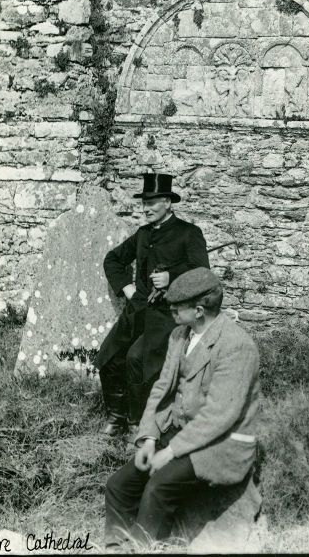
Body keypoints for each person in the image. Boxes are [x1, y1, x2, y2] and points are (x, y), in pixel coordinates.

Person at [103, 267, 261, 548]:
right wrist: (149, 439)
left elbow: (218, 417)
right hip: (179, 432)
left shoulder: (237, 346)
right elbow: (161, 390)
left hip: (222, 443)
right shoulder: (179, 336)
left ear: (199, 310)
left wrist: (170, 453)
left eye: (177, 307)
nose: (170, 310)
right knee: (119, 486)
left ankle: (145, 548)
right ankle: (116, 546)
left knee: (157, 488)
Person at [98, 173, 209, 436]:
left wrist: (172, 277)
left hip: (168, 318)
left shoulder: (189, 234)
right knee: (109, 356)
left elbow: (202, 273)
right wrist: (129, 291)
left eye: (152, 203)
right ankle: (117, 416)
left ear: (168, 203)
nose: (146, 209)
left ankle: (138, 424)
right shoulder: (143, 234)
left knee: (137, 358)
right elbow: (112, 260)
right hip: (138, 311)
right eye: (143, 204)